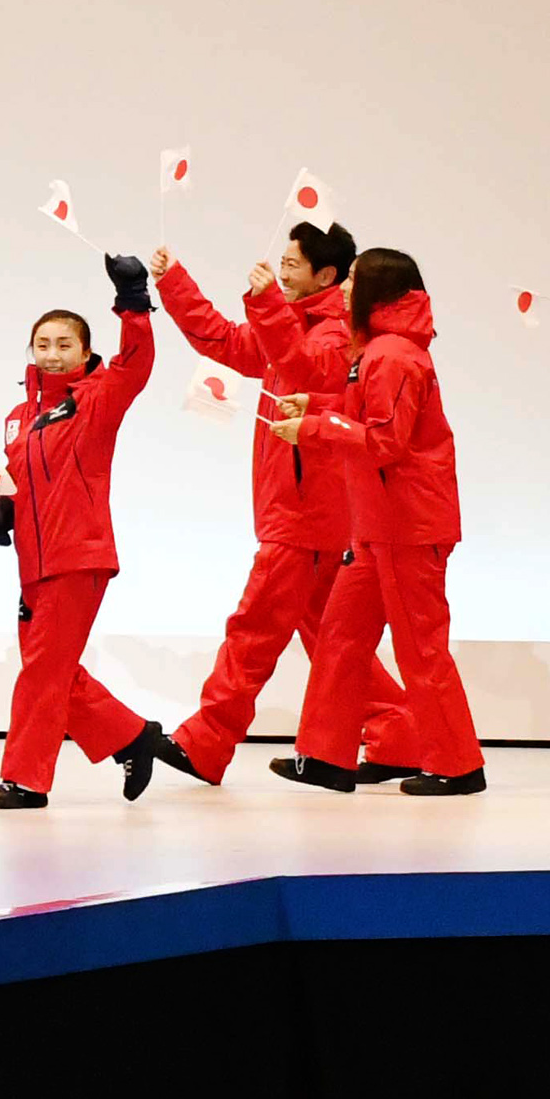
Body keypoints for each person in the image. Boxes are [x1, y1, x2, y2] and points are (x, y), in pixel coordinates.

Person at [147, 224, 409, 786]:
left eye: (293, 263)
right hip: (302, 514)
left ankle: (206, 741)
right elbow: (220, 340)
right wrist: (173, 282)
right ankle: (397, 730)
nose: (281, 268)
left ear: (327, 275)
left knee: (254, 629)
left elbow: (299, 370)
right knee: (332, 640)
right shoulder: (294, 328)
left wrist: (266, 302)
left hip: (306, 516)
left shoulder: (333, 336)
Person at [272, 249, 486, 795]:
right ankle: (324, 755)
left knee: (420, 647)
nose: (343, 289)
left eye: (352, 281)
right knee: (341, 637)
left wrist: (314, 429)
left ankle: (457, 765)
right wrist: (315, 407)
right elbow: (369, 415)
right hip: (380, 526)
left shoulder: (390, 355)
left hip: (406, 527)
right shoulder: (383, 352)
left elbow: (385, 442)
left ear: (377, 294)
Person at [0, 264, 181, 803]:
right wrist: (2, 508)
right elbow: (20, 478)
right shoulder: (19, 415)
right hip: (33, 564)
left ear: (85, 351)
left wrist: (133, 302)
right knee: (52, 670)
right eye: (42, 344)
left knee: (43, 675)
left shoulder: (97, 398)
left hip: (78, 557)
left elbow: (135, 364)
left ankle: (25, 780)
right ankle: (132, 736)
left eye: (64, 344)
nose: (51, 354)